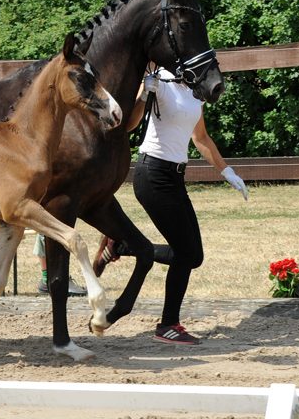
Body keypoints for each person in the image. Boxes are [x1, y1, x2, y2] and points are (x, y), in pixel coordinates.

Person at [94, 68, 247, 345]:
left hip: (175, 177)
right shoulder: (158, 82)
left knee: (194, 256)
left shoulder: (195, 91)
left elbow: (200, 138)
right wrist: (145, 93)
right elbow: (127, 125)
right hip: (152, 173)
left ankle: (121, 246)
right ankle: (167, 325)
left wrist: (227, 172)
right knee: (185, 253)